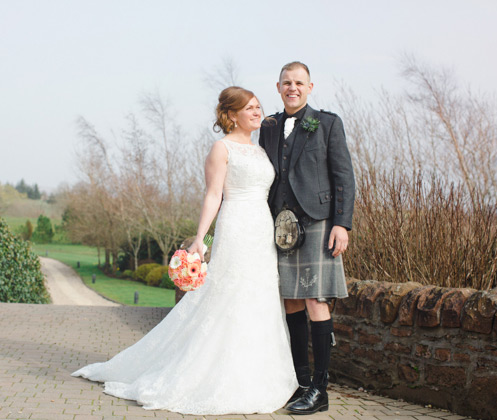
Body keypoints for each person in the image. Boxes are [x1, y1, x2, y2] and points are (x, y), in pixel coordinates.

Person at [72, 86, 297, 415]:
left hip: (262, 230)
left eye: (258, 106)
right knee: (230, 297)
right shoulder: (221, 149)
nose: (257, 112)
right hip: (235, 228)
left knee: (260, 298)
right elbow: (213, 195)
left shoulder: (262, 150)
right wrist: (199, 240)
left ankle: (259, 374)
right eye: (249, 108)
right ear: (231, 114)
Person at [259, 62, 355, 415]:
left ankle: (320, 388)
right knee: (290, 302)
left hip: (318, 222)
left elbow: (343, 175)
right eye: (287, 83)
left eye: (299, 83)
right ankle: (299, 384)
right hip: (281, 226)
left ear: (310, 86)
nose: (292, 88)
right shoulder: (268, 127)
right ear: (278, 86)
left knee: (316, 300)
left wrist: (341, 224)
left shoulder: (327, 123)